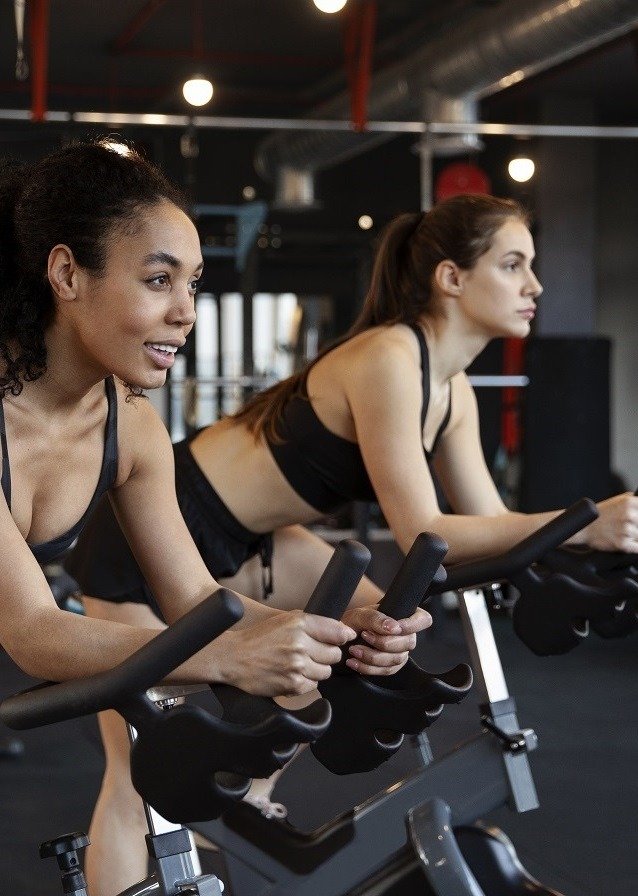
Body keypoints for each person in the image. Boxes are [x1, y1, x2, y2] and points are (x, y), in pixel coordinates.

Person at [65, 191, 638, 894]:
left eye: (533, 266)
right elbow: (426, 532)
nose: (535, 286)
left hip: (258, 538)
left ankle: (246, 795)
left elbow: (486, 525)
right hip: (158, 526)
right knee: (137, 777)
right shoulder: (390, 358)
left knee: (377, 646)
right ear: (451, 278)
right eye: (514, 264)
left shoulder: (452, 390)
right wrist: (587, 521)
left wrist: (585, 541)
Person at [0, 138, 427, 894]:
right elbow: (33, 631)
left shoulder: (127, 428)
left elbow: (195, 600)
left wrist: (330, 633)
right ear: (66, 273)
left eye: (192, 283)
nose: (186, 312)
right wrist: (229, 659)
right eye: (158, 279)